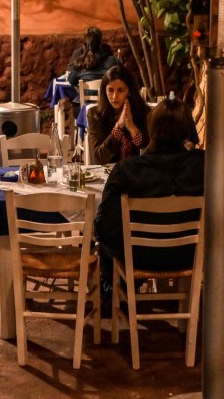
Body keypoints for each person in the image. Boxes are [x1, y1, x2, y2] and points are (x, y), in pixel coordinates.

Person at [94, 96, 204, 278]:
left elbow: (104, 226)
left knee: (105, 244)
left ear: (151, 128)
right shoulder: (205, 166)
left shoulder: (128, 170)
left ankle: (117, 299)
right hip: (190, 255)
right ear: (187, 131)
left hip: (139, 257)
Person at [86, 66, 152, 165]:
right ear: (104, 91)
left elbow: (149, 154)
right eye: (110, 90)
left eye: (120, 90)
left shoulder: (143, 111)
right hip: (109, 174)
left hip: (137, 172)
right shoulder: (95, 114)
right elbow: (99, 158)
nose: (114, 96)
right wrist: (119, 127)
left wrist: (132, 128)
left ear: (129, 91)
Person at [66, 26, 119, 92]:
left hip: (85, 100)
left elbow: (71, 81)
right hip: (107, 99)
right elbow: (122, 76)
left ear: (84, 44)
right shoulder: (112, 61)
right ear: (100, 44)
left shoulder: (79, 64)